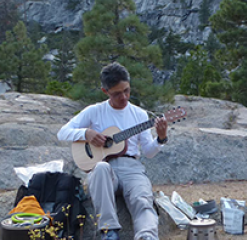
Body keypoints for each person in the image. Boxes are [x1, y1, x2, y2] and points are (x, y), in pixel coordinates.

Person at [57, 62, 168, 240]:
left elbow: (148, 151)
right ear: (105, 91)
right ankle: (109, 233)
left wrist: (161, 138)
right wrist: (86, 133)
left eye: (127, 91)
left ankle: (146, 236)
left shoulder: (139, 115)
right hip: (104, 168)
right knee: (100, 168)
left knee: (142, 200)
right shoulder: (94, 111)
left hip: (132, 169)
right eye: (117, 94)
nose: (124, 97)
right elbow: (62, 132)